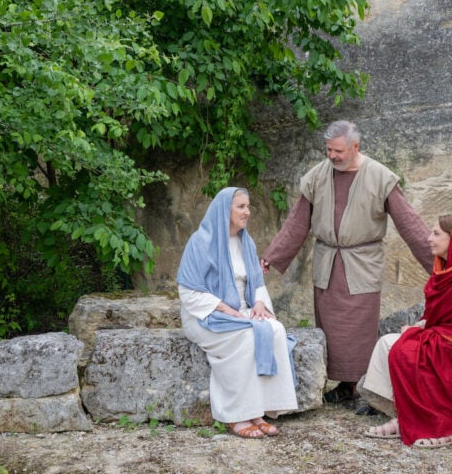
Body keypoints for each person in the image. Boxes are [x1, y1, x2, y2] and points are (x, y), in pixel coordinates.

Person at [260, 120, 432, 413]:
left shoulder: (380, 177)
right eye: (328, 150)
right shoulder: (317, 176)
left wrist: (439, 262)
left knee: (359, 328)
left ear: (355, 147)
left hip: (361, 264)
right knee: (331, 328)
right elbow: (296, 223)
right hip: (328, 262)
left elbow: (409, 224)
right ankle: (343, 386)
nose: (332, 156)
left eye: (338, 151)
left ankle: (364, 387)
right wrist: (271, 257)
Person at [361, 214, 452, 447]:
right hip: (446, 340)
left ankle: (446, 427)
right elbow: (440, 318)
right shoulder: (446, 270)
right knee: (386, 343)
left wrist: (417, 332)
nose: (429, 238)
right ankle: (406, 416)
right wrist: (420, 326)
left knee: (401, 348)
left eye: (436, 233)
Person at [177, 187, 298, 439]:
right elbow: (188, 292)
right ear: (225, 210)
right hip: (205, 314)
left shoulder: (246, 241)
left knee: (275, 330)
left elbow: (257, 284)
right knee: (246, 336)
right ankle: (237, 415)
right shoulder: (200, 242)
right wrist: (226, 310)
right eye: (241, 207)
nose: (248, 212)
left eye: (248, 206)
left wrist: (260, 305)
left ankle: (259, 410)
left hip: (240, 310)